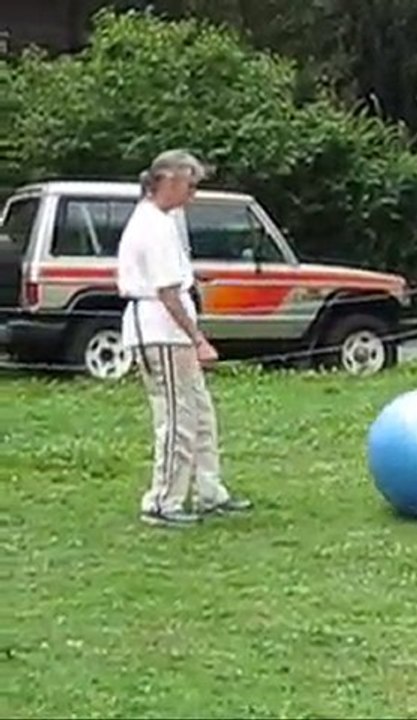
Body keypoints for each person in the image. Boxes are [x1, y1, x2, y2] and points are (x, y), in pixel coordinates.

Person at [117, 149, 252, 527]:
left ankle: (209, 490)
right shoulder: (152, 225)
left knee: (200, 412)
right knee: (177, 418)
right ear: (170, 181)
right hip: (162, 331)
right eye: (189, 186)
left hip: (171, 330)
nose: (192, 195)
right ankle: (162, 501)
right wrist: (198, 339)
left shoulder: (164, 219)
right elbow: (167, 292)